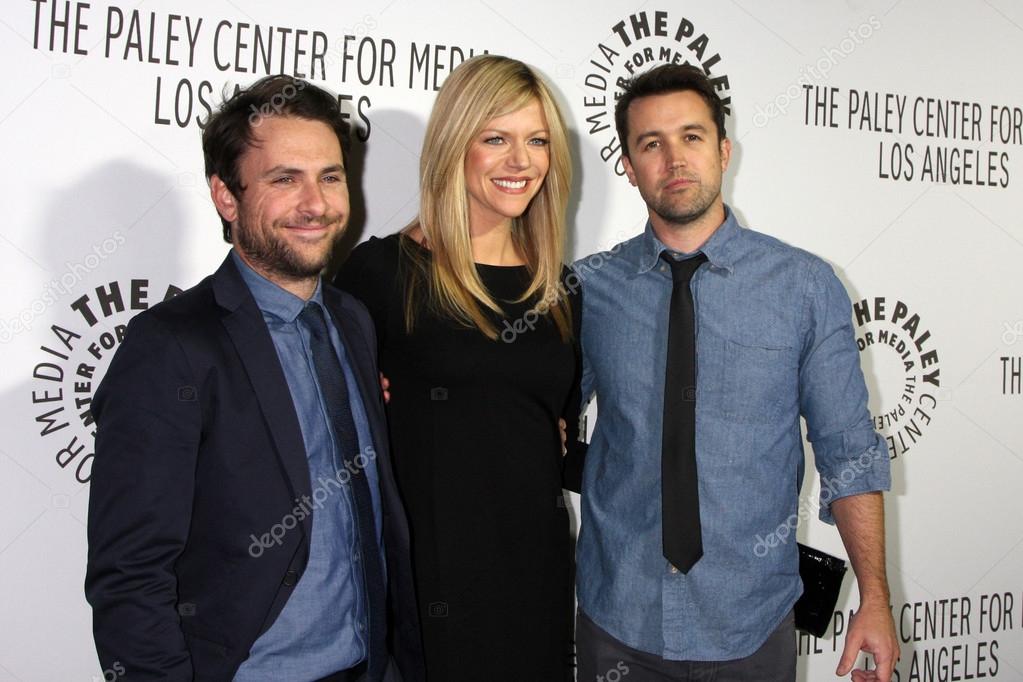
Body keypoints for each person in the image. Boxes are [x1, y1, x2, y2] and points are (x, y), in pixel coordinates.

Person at [85, 75, 423, 682]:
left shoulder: (350, 319)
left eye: (330, 176)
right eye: (284, 179)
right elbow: (130, 574)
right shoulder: (171, 347)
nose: (316, 204)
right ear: (226, 196)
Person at [571, 64, 900, 682]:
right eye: (651, 143)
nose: (674, 158)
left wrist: (875, 600)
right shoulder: (588, 289)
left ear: (724, 150)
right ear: (629, 163)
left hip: (750, 626)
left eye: (691, 136)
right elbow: (528, 410)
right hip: (617, 621)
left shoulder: (804, 287)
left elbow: (848, 452)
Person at [334, 55, 580, 681]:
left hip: (535, 583)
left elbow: (550, 430)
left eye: (537, 142)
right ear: (453, 146)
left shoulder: (560, 290)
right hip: (422, 589)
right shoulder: (380, 274)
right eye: (495, 138)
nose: (520, 162)